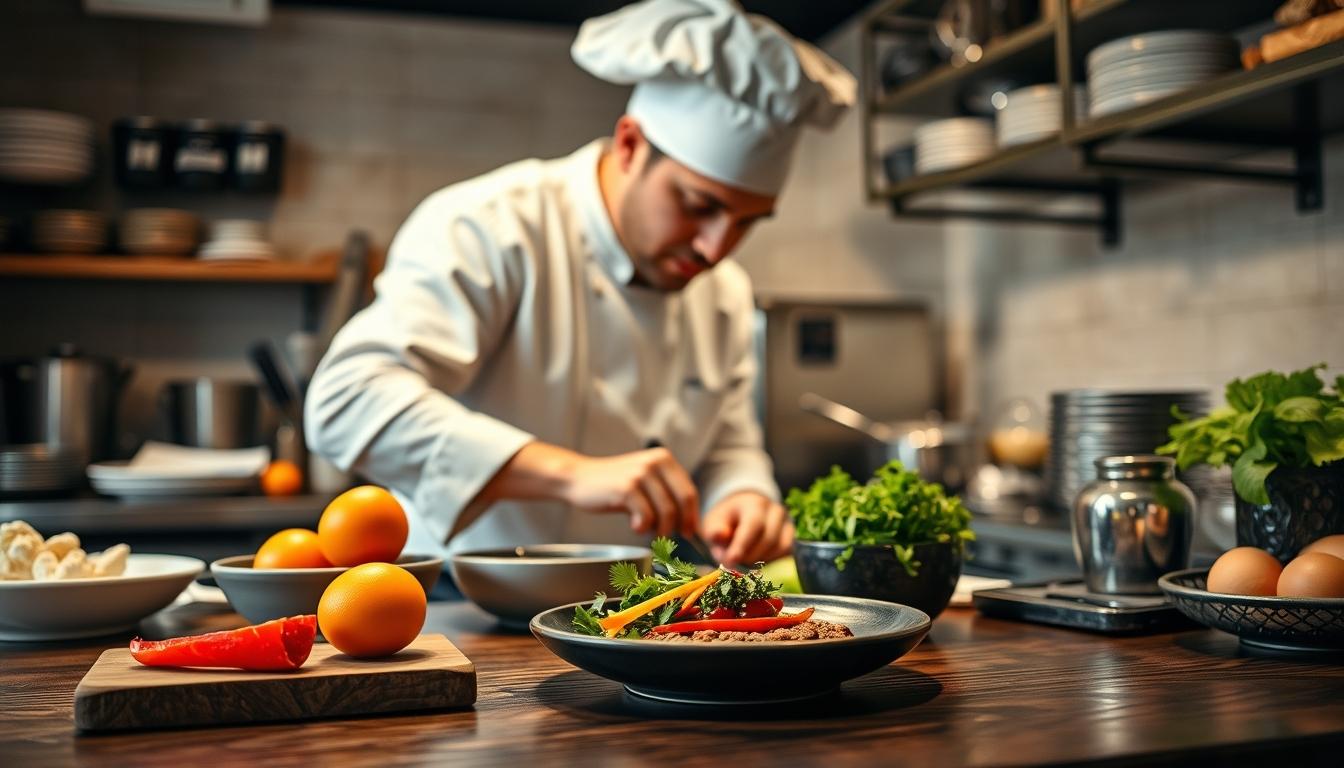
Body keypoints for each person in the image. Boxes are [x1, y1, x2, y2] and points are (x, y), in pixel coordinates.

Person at [304, 0, 855, 566]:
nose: (716, 248)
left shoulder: (724, 293)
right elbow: (347, 401)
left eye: (746, 222)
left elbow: (727, 444)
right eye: (697, 205)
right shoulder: (493, 226)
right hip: (455, 601)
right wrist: (572, 475)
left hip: (628, 615)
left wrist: (743, 496)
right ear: (630, 145)